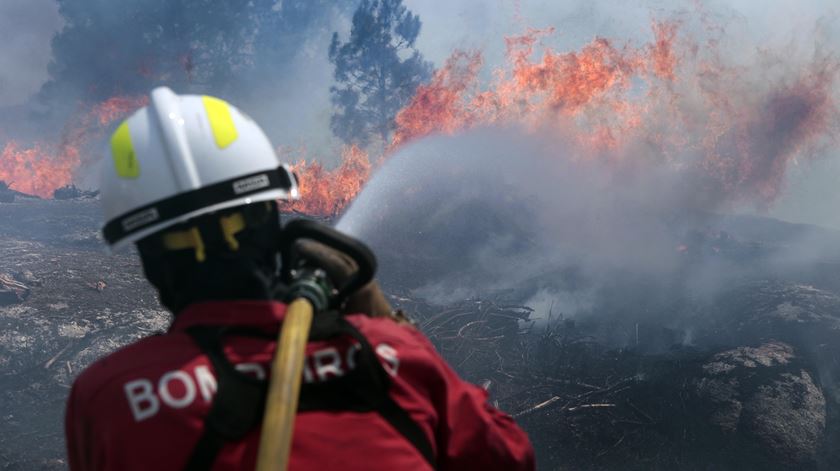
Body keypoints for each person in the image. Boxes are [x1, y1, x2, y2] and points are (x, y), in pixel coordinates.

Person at [64, 87, 535, 471]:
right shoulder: (394, 359)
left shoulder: (110, 398)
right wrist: (385, 321)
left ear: (148, 256)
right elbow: (509, 457)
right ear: (274, 220)